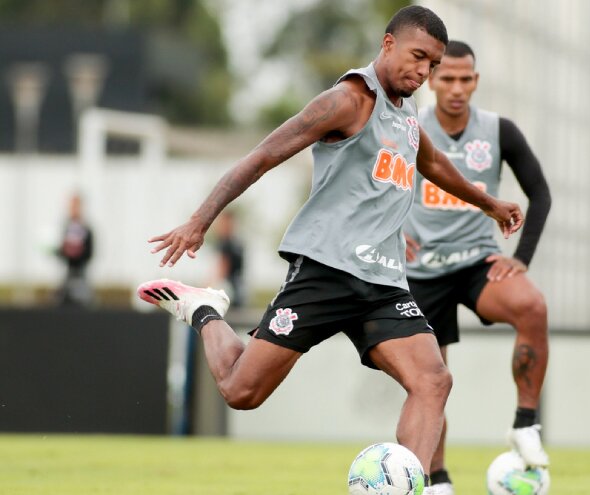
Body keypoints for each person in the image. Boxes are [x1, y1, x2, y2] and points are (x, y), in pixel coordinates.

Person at [135, 7, 523, 492]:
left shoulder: (405, 117)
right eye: (417, 57)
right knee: (241, 391)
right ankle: (205, 311)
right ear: (387, 45)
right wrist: (200, 221)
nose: (424, 73)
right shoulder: (347, 100)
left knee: (433, 380)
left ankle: (412, 485)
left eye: (433, 65)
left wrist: (490, 204)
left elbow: (437, 165)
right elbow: (262, 156)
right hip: (325, 271)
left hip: (383, 283)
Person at [403, 41, 552, 494]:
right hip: (420, 270)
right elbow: (371, 184)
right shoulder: (408, 126)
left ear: (476, 81)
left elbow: (540, 194)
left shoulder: (498, 130)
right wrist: (392, 234)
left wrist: (520, 259)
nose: (456, 88)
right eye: (446, 78)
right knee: (431, 381)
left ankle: (525, 424)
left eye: (465, 79)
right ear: (430, 80)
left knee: (533, 307)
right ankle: (437, 480)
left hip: (475, 263)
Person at [55, 192, 94, 307]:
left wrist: (78, 251)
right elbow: (59, 252)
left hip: (81, 276)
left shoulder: (86, 229)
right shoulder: (65, 228)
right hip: (67, 275)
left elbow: (90, 253)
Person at [212, 210, 246, 308]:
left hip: (227, 291)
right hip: (238, 290)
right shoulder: (237, 243)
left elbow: (222, 271)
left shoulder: (225, 244)